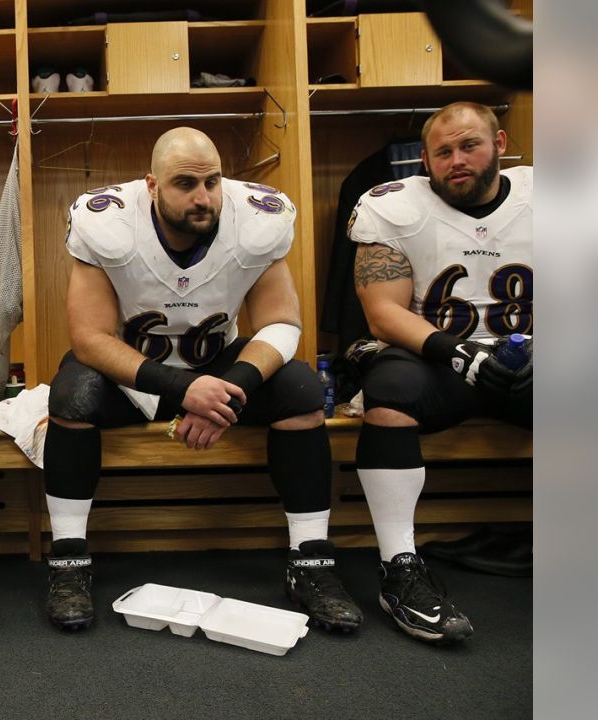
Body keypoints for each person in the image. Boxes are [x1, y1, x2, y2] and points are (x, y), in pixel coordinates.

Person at [42, 127, 361, 633]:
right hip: (132, 371)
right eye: (185, 183)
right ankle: (68, 560)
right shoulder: (108, 221)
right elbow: (90, 338)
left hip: (217, 367)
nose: (203, 196)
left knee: (301, 389)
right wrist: (181, 389)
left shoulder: (256, 217)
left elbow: (282, 322)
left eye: (212, 181)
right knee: (72, 393)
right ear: (151, 185)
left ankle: (311, 561)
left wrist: (228, 389)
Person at [350, 101, 531, 644]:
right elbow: (384, 312)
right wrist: (460, 355)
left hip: (529, 357)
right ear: (423, 162)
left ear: (499, 142)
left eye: (469, 145)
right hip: (440, 359)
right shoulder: (391, 206)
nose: (457, 159)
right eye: (442, 151)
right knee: (388, 389)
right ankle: (400, 567)